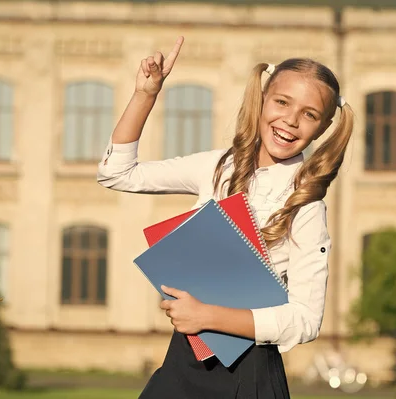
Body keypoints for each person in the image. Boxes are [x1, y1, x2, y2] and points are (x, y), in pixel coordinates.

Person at [97, 36, 355, 399]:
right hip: (184, 360)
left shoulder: (306, 206)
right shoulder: (218, 167)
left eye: (309, 114)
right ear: (263, 98)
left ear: (324, 127)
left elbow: (305, 321)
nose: (291, 121)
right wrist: (146, 94)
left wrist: (206, 317)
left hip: (247, 374)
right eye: (282, 102)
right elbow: (117, 173)